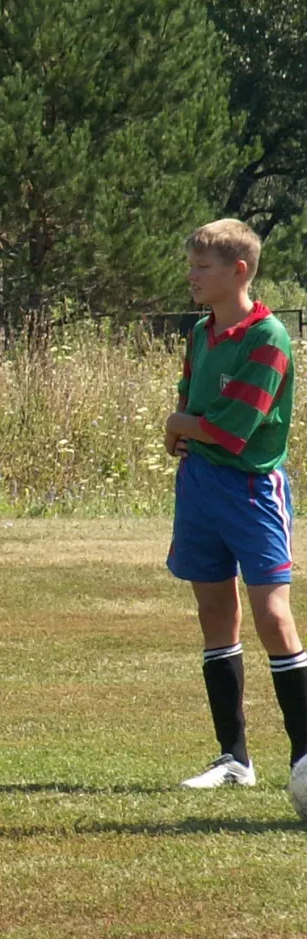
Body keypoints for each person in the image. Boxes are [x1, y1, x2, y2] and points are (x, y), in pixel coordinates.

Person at [161, 218, 307, 790]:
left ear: (238, 271)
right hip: (199, 488)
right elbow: (188, 399)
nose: (192, 276)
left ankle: (302, 757)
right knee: (214, 613)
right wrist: (183, 425)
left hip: (251, 493)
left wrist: (181, 425)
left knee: (273, 615)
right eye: (191, 265)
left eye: (203, 267)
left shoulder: (269, 338)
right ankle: (233, 759)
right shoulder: (200, 332)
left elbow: (235, 429)